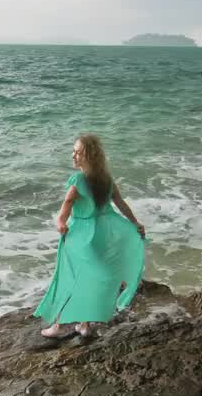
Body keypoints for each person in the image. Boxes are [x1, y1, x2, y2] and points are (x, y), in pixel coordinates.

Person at [34, 134, 146, 339]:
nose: (73, 155)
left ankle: (57, 327)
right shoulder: (106, 179)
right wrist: (134, 222)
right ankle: (84, 325)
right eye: (74, 151)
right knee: (91, 279)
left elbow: (67, 204)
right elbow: (120, 202)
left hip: (80, 234)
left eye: (78, 152)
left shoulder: (78, 180)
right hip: (103, 233)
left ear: (90, 157)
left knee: (69, 278)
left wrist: (61, 222)